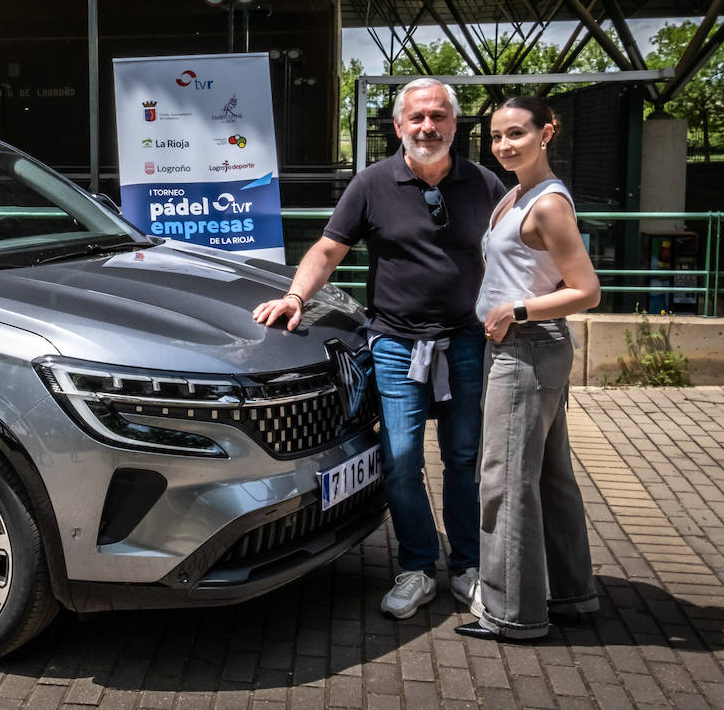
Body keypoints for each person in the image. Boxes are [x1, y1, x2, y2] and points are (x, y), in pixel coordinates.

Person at [253, 77, 505, 619]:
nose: (427, 127)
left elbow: (517, 254)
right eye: (416, 118)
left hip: (465, 341)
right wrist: (296, 296)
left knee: (464, 459)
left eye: (438, 116)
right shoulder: (371, 184)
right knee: (400, 459)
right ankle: (417, 566)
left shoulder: (484, 185)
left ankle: (467, 567)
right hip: (394, 343)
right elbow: (327, 248)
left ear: (455, 125)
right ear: (398, 126)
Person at [455, 96, 601, 642]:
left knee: (505, 481)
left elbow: (587, 291)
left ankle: (511, 613)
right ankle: (571, 594)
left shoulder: (547, 205)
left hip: (526, 348)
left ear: (547, 132)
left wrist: (515, 310)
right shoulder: (517, 193)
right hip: (529, 350)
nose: (503, 145)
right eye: (496, 136)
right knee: (551, 476)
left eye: (516, 133)